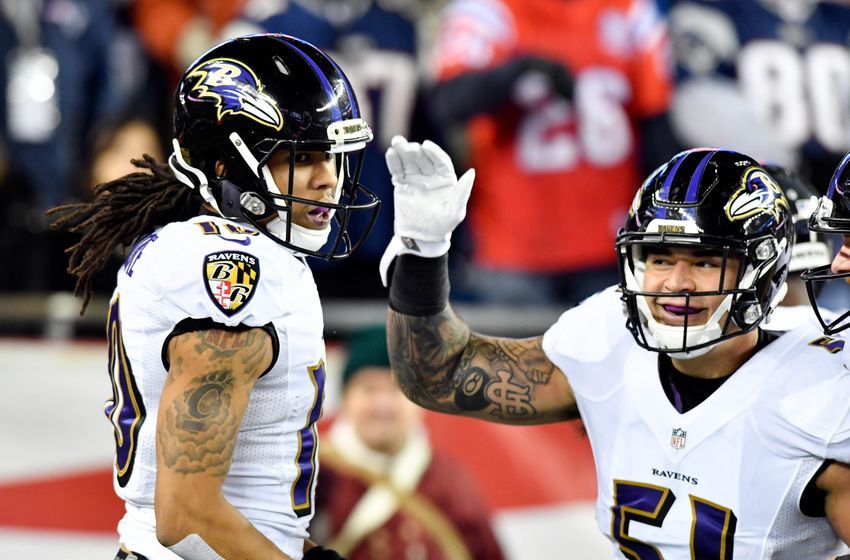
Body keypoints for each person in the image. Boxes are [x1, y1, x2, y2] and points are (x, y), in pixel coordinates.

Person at [379, 136, 850, 557]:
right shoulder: (607, 339)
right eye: (659, 257)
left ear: (761, 272)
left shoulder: (821, 387)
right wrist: (423, 253)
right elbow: (439, 376)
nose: (675, 284)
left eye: (706, 262)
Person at [48, 33, 380, 560]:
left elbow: (248, 495)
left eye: (334, 157)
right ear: (226, 166)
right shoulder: (232, 271)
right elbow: (186, 513)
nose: (328, 181)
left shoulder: (227, 252)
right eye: (304, 158)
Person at [428, 0, 679, 305]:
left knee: (607, 348)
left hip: (609, 237)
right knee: (518, 350)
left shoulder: (632, 11)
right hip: (514, 241)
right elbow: (449, 101)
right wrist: (517, 72)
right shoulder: (490, 9)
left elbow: (658, 126)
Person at [312, 325, 506, 560]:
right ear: (346, 399)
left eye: (397, 389)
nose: (382, 404)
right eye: (369, 389)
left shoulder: (449, 478)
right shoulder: (314, 474)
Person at [667, 0, 850, 189]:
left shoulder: (840, 19)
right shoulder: (716, 13)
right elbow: (695, 100)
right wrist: (778, 169)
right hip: (752, 190)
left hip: (840, 192)